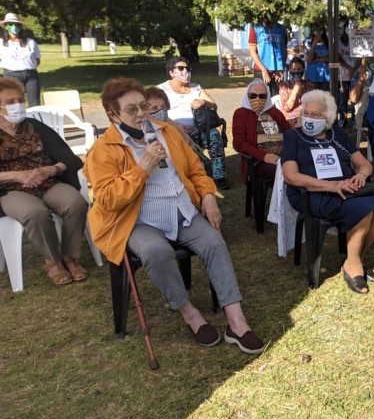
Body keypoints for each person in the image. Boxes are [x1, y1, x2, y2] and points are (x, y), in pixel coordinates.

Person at [86, 77, 265, 352]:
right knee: (157, 252)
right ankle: (189, 312)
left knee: (215, 243)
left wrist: (207, 197)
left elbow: (196, 170)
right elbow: (108, 199)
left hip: (181, 210)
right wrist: (143, 167)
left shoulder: (166, 131)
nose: (141, 114)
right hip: (137, 220)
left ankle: (236, 322)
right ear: (113, 115)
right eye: (131, 110)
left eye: (143, 106)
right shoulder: (103, 150)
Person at [281, 90, 374, 295]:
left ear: (328, 118)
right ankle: (354, 265)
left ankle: (353, 258)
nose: (310, 118)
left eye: (316, 115)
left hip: (347, 189)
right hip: (313, 193)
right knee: (363, 210)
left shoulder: (337, 135)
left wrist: (360, 176)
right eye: (307, 113)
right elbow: (290, 176)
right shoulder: (293, 137)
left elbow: (365, 165)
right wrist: (331, 186)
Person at [0, 77, 88, 285]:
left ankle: (70, 257)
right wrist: (16, 175)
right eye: (10, 102)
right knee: (35, 212)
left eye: (19, 100)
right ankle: (53, 261)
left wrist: (51, 169)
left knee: (75, 203)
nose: (18, 105)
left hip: (46, 181)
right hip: (10, 189)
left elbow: (69, 158)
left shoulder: (34, 126)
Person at [157, 57, 229, 190]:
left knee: (214, 136)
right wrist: (176, 126)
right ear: (171, 72)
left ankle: (219, 176)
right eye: (180, 68)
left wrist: (202, 102)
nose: (185, 71)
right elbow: (157, 114)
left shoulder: (196, 87)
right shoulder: (161, 90)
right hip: (173, 131)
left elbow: (214, 105)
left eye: (187, 68)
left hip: (199, 129)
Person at [233, 79, 291, 186]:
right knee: (284, 173)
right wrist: (264, 156)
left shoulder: (275, 113)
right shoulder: (241, 114)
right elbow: (239, 143)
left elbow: (289, 133)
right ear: (247, 96)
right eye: (253, 96)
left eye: (262, 96)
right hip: (258, 162)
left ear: (268, 96)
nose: (257, 99)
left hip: (284, 158)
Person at [0, 13, 41, 107]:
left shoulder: (31, 42)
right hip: (11, 75)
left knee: (35, 105)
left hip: (31, 76)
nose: (14, 27)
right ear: (6, 27)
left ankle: (34, 121)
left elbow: (37, 60)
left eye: (17, 24)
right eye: (10, 24)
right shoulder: (1, 43)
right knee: (14, 105)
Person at [248, 20, 287, 96]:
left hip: (278, 73)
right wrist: (263, 70)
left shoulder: (282, 28)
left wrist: (281, 68)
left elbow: (284, 50)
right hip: (261, 71)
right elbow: (252, 52)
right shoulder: (256, 28)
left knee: (277, 101)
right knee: (260, 99)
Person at [278, 56, 315, 125]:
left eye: (299, 69)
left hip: (305, 117)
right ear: (290, 70)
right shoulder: (284, 86)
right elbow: (287, 108)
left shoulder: (309, 85)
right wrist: (295, 89)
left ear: (303, 70)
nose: (296, 72)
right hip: (290, 119)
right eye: (294, 69)